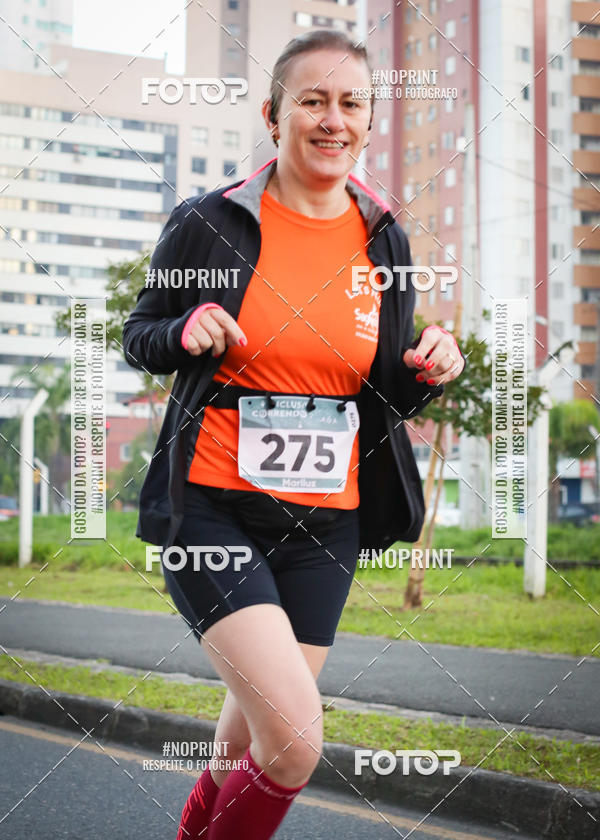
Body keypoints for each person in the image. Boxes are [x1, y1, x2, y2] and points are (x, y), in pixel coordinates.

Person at [123, 29, 465, 840]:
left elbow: (384, 389)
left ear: (369, 122)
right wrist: (186, 329)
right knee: (295, 745)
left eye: (352, 103)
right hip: (211, 512)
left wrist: (428, 368)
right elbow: (141, 335)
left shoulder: (386, 239)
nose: (332, 119)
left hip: (326, 524)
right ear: (275, 116)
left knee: (246, 740)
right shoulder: (210, 223)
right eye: (312, 100)